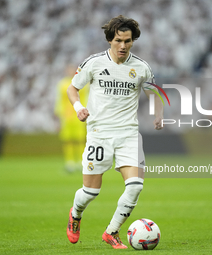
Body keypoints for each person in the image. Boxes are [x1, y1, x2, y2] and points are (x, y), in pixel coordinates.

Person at [66, 15, 163, 249]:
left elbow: (154, 96)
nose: (123, 46)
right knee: (90, 192)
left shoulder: (141, 67)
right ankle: (75, 214)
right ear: (110, 39)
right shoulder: (94, 63)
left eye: (128, 41)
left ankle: (111, 231)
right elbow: (73, 88)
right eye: (118, 40)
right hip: (99, 133)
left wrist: (158, 114)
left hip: (128, 134)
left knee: (136, 186)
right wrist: (79, 107)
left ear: (133, 41)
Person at [54, 65, 88, 172]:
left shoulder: (83, 83)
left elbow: (86, 98)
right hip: (67, 116)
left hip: (79, 115)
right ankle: (70, 162)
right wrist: (59, 113)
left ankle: (80, 162)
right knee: (68, 140)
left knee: (80, 140)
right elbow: (60, 100)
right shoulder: (62, 84)